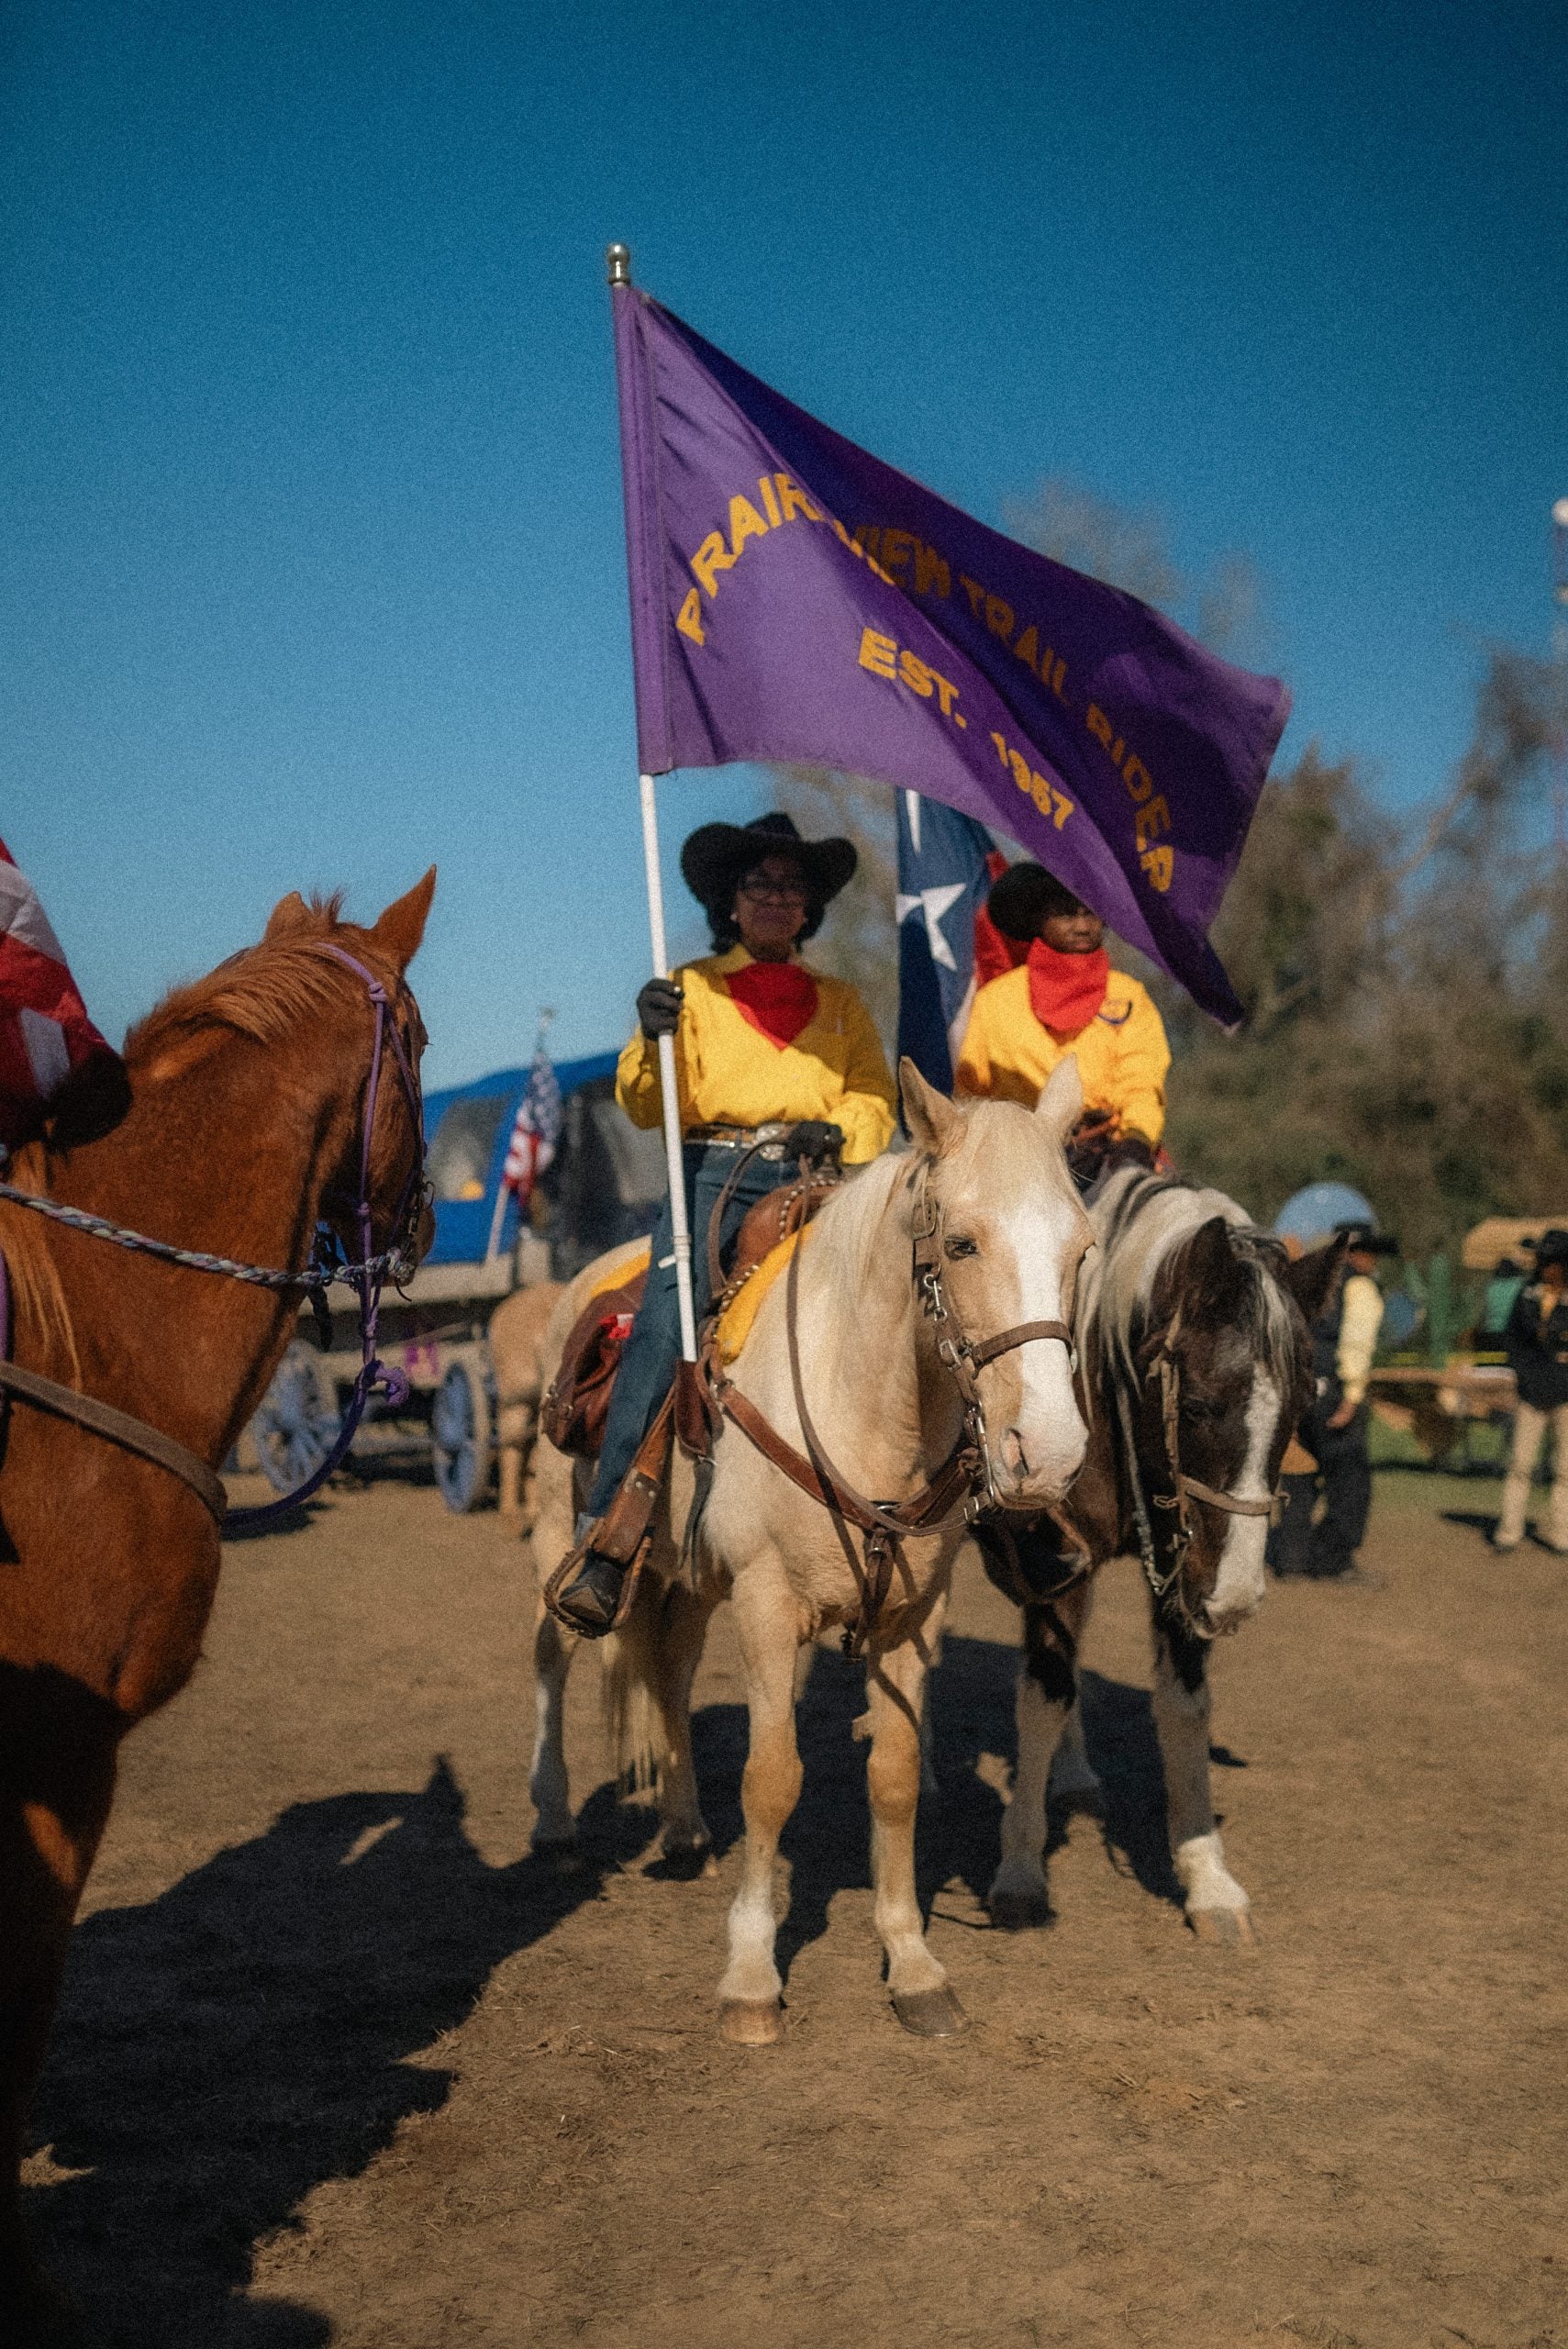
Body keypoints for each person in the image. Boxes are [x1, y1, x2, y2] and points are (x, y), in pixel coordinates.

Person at [552, 811, 897, 1634]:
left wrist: (839, 1134)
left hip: (817, 1177)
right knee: (668, 1316)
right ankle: (607, 1534)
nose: (778, 898)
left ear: (809, 909)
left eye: (791, 886)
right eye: (760, 884)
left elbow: (874, 1099)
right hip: (711, 1174)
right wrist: (651, 1036)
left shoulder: (843, 1001)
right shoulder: (690, 988)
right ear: (731, 904)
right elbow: (646, 1106)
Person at [953, 863, 1170, 1169]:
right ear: (1038, 918)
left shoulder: (1129, 995)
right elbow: (971, 1096)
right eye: (1067, 913)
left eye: (1091, 913)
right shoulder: (995, 1001)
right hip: (1019, 1163)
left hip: (1115, 1155)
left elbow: (1142, 1079)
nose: (1082, 926)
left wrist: (1135, 1139)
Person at [1284, 1220, 1396, 1587]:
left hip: (1301, 1390)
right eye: (1369, 1252)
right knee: (1349, 1481)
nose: (1372, 1261)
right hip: (1336, 1391)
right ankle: (1333, 1559)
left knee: (1299, 1476)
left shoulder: (1308, 1280)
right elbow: (1356, 1346)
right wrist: (1351, 1398)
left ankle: (1291, 1558)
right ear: (1355, 1253)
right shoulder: (1360, 1288)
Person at [1495, 1229, 1568, 1554]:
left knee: (1565, 1470)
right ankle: (1510, 1531)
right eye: (1543, 1260)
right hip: (1532, 1393)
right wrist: (1524, 1376)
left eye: (1552, 1261)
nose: (1546, 1267)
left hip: (1566, 1395)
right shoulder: (1527, 1293)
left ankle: (1561, 1533)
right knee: (1520, 1465)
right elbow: (1513, 1340)